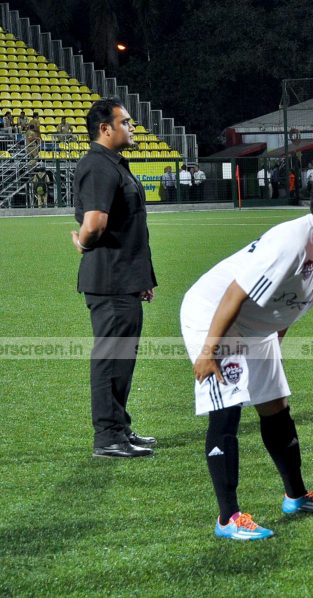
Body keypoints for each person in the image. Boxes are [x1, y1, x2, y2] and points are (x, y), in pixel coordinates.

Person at [181, 166, 313, 541]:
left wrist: (273, 342)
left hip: (255, 324)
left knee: (275, 405)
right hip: (215, 314)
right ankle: (227, 518)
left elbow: (295, 300)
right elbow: (234, 293)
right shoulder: (290, 242)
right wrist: (208, 351)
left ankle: (296, 496)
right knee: (226, 408)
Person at [70, 97, 157, 458]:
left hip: (124, 279)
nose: (132, 127)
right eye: (126, 122)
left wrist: (142, 277)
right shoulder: (98, 166)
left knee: (121, 360)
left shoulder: (112, 165)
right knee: (110, 360)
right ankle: (107, 437)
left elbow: (127, 226)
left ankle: (119, 428)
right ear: (106, 129)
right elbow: (95, 223)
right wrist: (83, 243)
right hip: (110, 280)